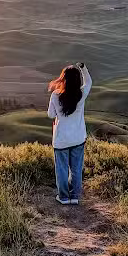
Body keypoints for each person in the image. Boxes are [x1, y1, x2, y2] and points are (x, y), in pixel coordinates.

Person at [47, 62, 92, 205]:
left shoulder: (55, 95)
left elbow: (50, 114)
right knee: (76, 169)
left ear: (63, 79)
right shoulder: (82, 94)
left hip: (61, 140)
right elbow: (89, 81)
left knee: (61, 170)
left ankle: (64, 197)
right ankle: (74, 196)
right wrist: (83, 68)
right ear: (78, 79)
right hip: (78, 138)